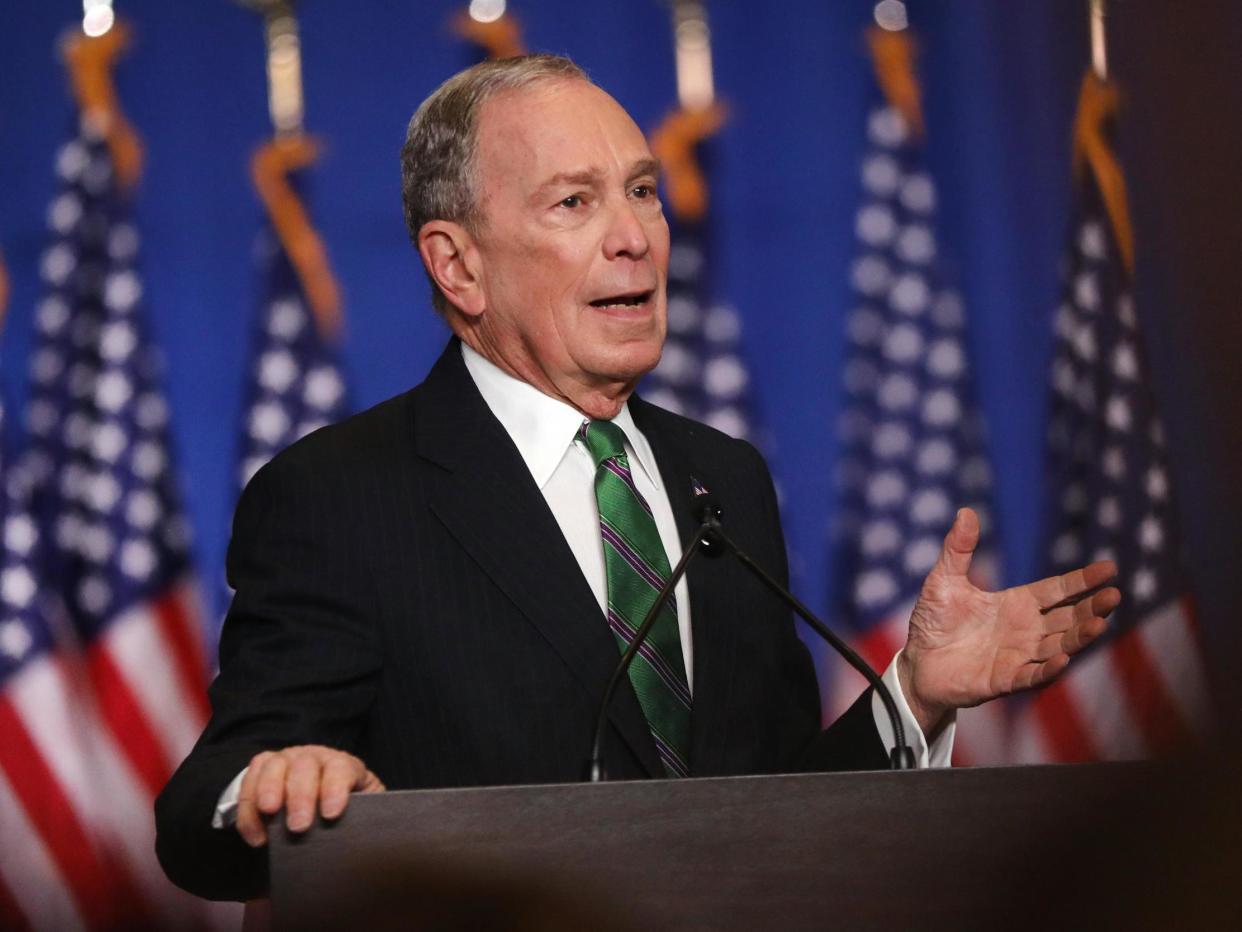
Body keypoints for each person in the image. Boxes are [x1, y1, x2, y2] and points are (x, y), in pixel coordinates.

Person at [154, 55, 1118, 902]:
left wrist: (915, 695)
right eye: (576, 202)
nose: (637, 237)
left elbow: (770, 814)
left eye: (644, 190)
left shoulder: (723, 479)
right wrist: (278, 785)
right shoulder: (341, 495)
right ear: (459, 266)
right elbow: (201, 814)